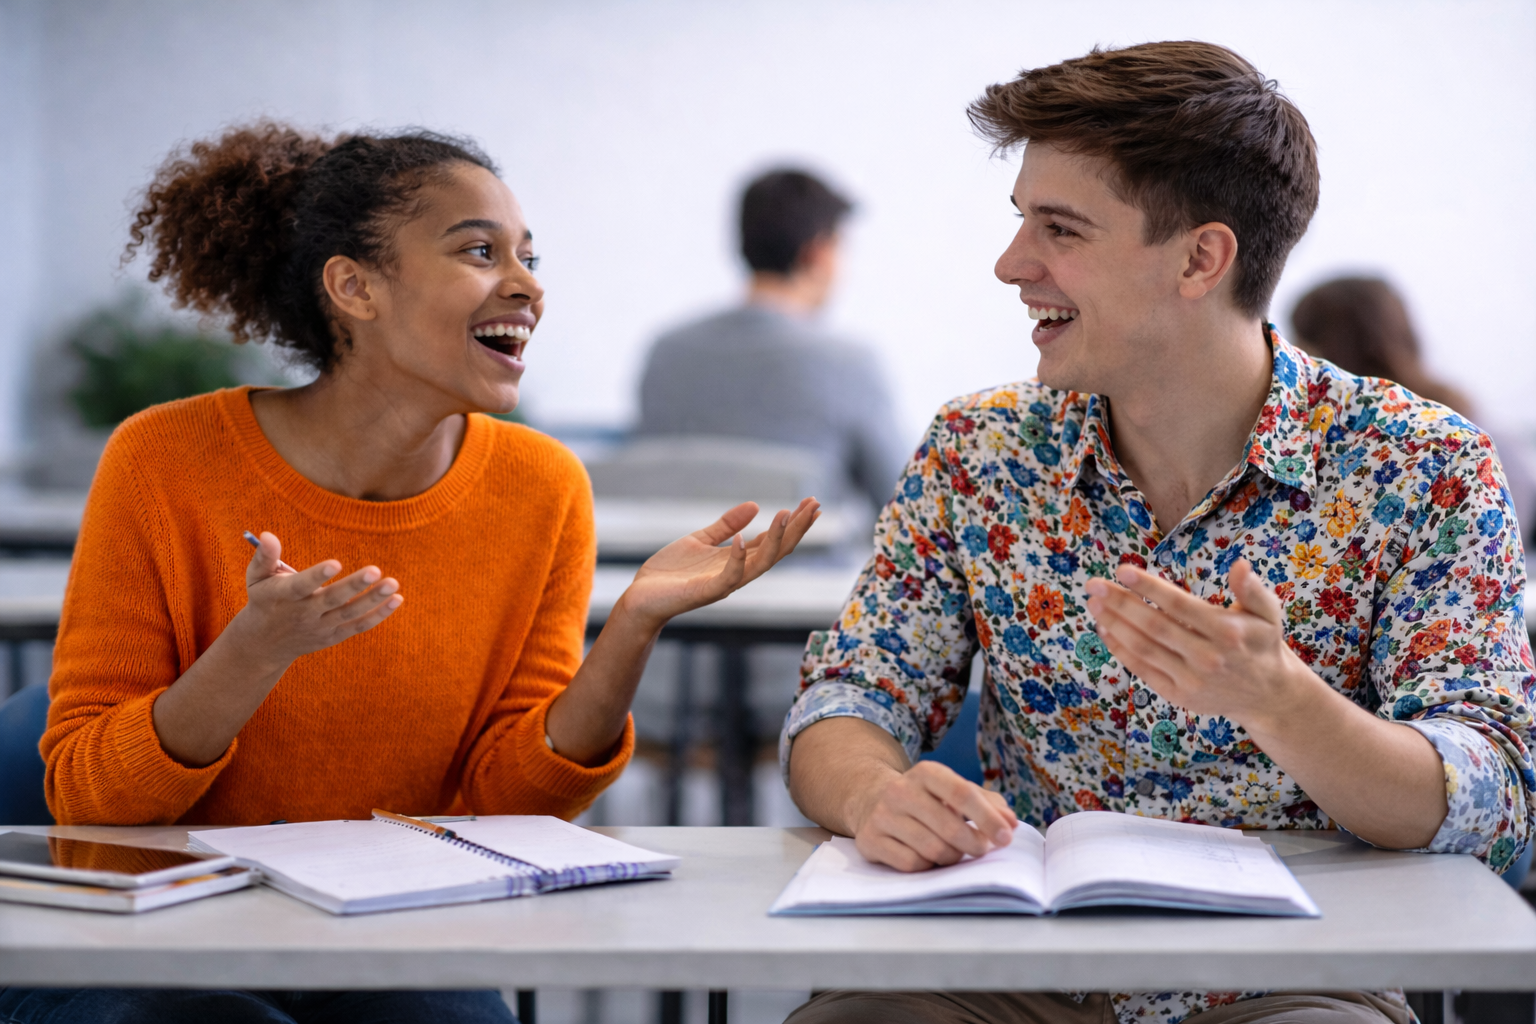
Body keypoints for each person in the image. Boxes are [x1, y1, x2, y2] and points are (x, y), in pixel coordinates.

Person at [781, 42, 1533, 1024]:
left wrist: (1286, 706)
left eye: (1060, 229)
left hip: (1295, 973)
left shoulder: (1423, 465)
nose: (1011, 265)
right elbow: (848, 697)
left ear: (1201, 258)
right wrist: (870, 793)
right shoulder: (980, 448)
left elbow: (1491, 797)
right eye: (1022, 223)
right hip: (1003, 971)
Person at [10, 123, 818, 1024]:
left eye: (528, 256)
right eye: (479, 251)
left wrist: (630, 626)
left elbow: (502, 806)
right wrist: (252, 653)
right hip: (165, 940)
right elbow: (88, 796)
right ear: (354, 287)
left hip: (396, 938)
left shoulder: (541, 486)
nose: (527, 284)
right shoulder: (162, 460)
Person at [635, 168, 907, 515]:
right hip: (811, 568)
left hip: (684, 566)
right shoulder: (848, 362)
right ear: (818, 253)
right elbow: (906, 508)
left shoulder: (666, 352)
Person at [1290, 276, 1535, 545]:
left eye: (1302, 346)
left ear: (1337, 350)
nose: (1297, 365)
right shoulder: (1480, 429)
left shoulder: (1458, 447)